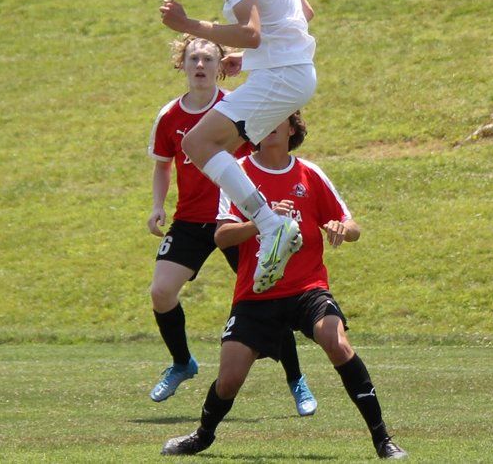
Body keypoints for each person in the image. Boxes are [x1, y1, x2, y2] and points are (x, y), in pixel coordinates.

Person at [161, 113, 407, 460]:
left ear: (292, 128)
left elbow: (352, 226)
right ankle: (202, 437)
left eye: (278, 117)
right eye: (262, 118)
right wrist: (263, 219)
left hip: (307, 287)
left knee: (335, 341)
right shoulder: (238, 173)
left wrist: (341, 227)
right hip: (257, 293)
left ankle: (383, 440)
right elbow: (221, 235)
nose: (268, 123)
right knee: (229, 379)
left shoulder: (309, 173)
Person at [154, 0, 317, 295]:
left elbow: (251, 32)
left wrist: (188, 25)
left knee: (197, 143)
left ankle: (270, 225)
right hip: (285, 71)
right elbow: (304, 13)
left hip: (285, 77)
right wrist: (248, 61)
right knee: (205, 144)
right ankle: (270, 225)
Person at [147, 35, 316, 416]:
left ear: (222, 64)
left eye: (209, 58)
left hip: (238, 218)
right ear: (183, 65)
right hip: (190, 221)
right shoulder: (169, 116)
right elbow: (162, 165)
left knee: (269, 296)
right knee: (161, 292)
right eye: (194, 58)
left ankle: (296, 380)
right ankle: (182, 363)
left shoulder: (235, 107)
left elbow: (266, 151)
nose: (201, 65)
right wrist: (157, 206)